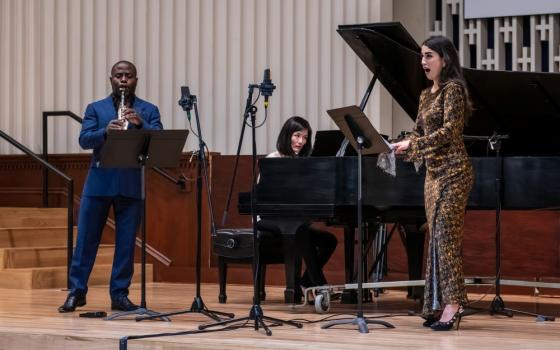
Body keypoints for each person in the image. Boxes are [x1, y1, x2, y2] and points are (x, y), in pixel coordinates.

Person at [58, 60, 163, 313]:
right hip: (99, 183)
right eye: (119, 75)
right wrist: (105, 131)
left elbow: (158, 140)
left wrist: (140, 125)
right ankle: (77, 292)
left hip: (131, 184)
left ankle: (119, 295)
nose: (123, 79)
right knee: (85, 241)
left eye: (128, 75)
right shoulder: (96, 108)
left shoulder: (148, 110)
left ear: (136, 80)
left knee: (126, 244)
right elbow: (84, 140)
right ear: (111, 80)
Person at [392, 36, 474, 331]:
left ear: (445, 59)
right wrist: (401, 144)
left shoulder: (453, 90)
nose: (423, 62)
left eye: (429, 56)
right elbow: (417, 132)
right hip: (432, 176)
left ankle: (454, 304)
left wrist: (413, 147)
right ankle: (436, 305)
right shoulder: (426, 95)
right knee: (436, 240)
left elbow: (451, 132)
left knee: (446, 239)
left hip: (454, 173)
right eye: (422, 57)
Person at [258, 116, 338, 292]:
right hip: (268, 219)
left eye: (305, 138)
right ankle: (318, 285)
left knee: (329, 241)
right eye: (297, 136)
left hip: (292, 219)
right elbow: (265, 198)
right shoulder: (273, 159)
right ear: (287, 135)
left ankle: (305, 283)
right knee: (300, 231)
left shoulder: (302, 164)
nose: (301, 141)